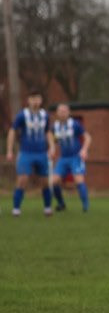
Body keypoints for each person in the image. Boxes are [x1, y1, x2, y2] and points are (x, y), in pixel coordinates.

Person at [5, 89, 56, 217]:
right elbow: (12, 131)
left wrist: (52, 147)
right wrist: (10, 150)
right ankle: (16, 209)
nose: (35, 101)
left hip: (41, 153)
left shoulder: (45, 115)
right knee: (22, 179)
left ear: (41, 100)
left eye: (37, 98)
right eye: (33, 99)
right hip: (26, 153)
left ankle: (47, 208)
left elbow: (48, 132)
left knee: (45, 181)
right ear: (28, 100)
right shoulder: (23, 115)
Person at [51, 103, 92, 212]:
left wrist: (84, 150)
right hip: (63, 158)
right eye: (60, 111)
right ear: (57, 113)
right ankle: (61, 203)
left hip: (75, 157)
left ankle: (85, 205)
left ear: (68, 112)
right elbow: (52, 140)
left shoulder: (75, 124)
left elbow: (88, 137)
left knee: (79, 180)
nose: (62, 114)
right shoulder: (54, 127)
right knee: (54, 181)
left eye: (65, 111)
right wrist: (51, 149)